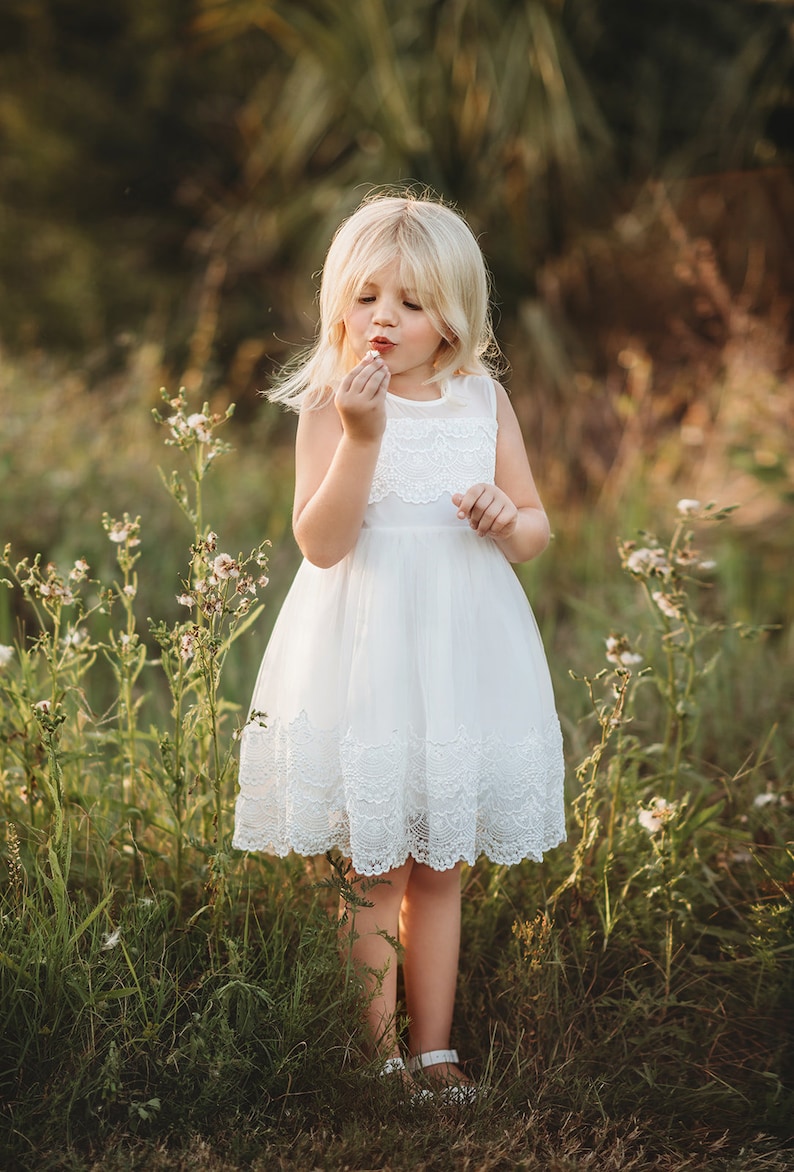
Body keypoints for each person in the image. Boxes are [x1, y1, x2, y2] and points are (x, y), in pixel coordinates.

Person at [233, 192, 565, 1101]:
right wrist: (363, 437)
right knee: (375, 864)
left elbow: (535, 528)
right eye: (368, 294)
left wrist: (508, 517)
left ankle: (437, 1048)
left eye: (412, 303)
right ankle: (374, 1057)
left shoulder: (480, 401)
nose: (385, 317)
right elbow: (322, 542)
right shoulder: (330, 406)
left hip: (459, 650)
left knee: (441, 863)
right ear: (339, 299)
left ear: (453, 319)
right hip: (370, 649)